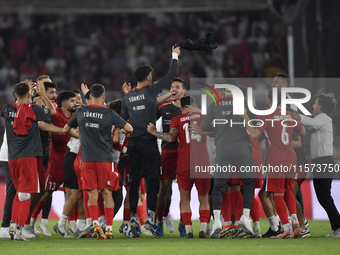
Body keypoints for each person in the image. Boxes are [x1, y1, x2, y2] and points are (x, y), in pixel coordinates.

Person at [120, 47, 180, 237]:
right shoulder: (151, 89)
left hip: (133, 144)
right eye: (152, 76)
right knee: (152, 183)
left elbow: (123, 123)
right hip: (149, 142)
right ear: (148, 78)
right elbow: (172, 74)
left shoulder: (127, 97)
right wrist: (175, 54)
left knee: (134, 183)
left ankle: (131, 223)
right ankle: (150, 223)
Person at [64, 84, 133, 239]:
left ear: (90, 97)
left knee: (92, 193)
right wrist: (123, 131)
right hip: (105, 160)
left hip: (87, 160)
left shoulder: (81, 111)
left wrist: (80, 137)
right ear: (104, 96)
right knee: (107, 193)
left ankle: (95, 224)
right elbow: (129, 128)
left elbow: (65, 129)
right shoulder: (109, 113)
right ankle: (108, 228)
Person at [241, 89, 306, 239]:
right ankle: (294, 220)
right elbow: (302, 133)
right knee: (288, 190)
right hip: (291, 157)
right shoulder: (289, 115)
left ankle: (287, 228)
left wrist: (245, 116)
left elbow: (255, 134)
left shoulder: (267, 116)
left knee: (277, 194)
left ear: (269, 100)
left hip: (277, 160)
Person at [147, 96, 211, 238]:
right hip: (203, 163)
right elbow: (217, 127)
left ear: (181, 108)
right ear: (194, 105)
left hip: (184, 164)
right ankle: (203, 229)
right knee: (204, 197)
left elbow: (170, 138)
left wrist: (154, 132)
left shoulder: (176, 119)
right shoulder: (203, 117)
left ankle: (188, 230)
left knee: (185, 198)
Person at [1, 81, 56, 241]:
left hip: (12, 158)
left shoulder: (7, 108)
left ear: (15, 94)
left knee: (20, 193)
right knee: (26, 194)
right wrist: (43, 95)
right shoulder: (34, 109)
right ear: (31, 94)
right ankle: (19, 229)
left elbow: (16, 107)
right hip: (28, 156)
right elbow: (52, 112)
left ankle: (13, 225)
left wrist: (25, 91)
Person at [201, 79, 255, 239]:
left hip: (223, 150)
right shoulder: (243, 103)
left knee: (218, 186)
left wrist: (218, 127)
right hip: (242, 150)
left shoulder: (214, 105)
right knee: (248, 183)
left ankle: (217, 221)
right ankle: (245, 218)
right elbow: (254, 124)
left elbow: (204, 127)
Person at [295, 89, 340, 237]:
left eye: (314, 103)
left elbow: (308, 121)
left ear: (320, 107)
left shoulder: (324, 118)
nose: (313, 106)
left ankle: (338, 228)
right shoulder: (321, 119)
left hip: (324, 161)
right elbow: (307, 124)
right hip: (321, 162)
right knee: (323, 196)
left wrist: (293, 115)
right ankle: (336, 228)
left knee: (324, 197)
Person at [30, 91, 78, 230]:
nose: (75, 103)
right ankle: (32, 221)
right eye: (72, 101)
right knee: (46, 193)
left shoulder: (77, 115)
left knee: (74, 192)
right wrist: (67, 131)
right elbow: (44, 126)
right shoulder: (55, 114)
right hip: (56, 161)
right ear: (63, 104)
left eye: (75, 100)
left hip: (72, 160)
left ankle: (72, 224)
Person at [155, 77, 187, 236]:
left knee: (184, 190)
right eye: (172, 86)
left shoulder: (190, 110)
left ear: (184, 91)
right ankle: (159, 222)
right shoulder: (163, 108)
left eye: (177, 87)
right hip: (167, 152)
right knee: (164, 188)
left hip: (184, 153)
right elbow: (149, 110)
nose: (173, 89)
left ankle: (183, 223)